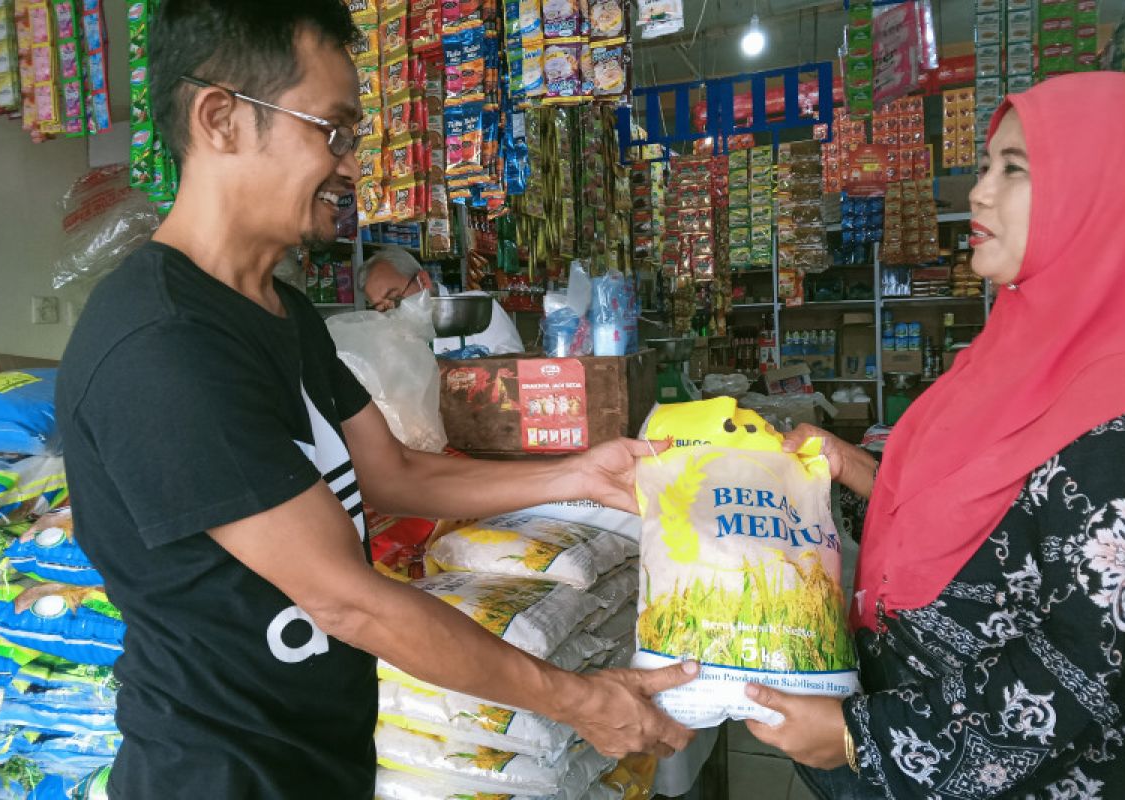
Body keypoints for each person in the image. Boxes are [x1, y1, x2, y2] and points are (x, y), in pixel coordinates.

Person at [54, 2, 695, 798]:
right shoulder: (162, 347)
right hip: (221, 776)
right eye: (333, 130)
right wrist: (578, 701)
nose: (352, 164)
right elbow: (348, 601)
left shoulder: (278, 314)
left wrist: (579, 474)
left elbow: (392, 472)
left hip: (318, 757)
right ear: (220, 118)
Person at [742, 72, 1125, 799]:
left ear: (1109, 195)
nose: (977, 194)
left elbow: (1080, 672)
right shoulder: (1010, 353)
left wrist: (859, 737)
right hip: (888, 724)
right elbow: (998, 522)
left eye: (1016, 171)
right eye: (985, 166)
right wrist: (857, 467)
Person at [360, 245, 525, 355]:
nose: (393, 312)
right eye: (382, 308)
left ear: (423, 281)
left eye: (395, 298)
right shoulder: (388, 333)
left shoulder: (477, 309)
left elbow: (513, 370)